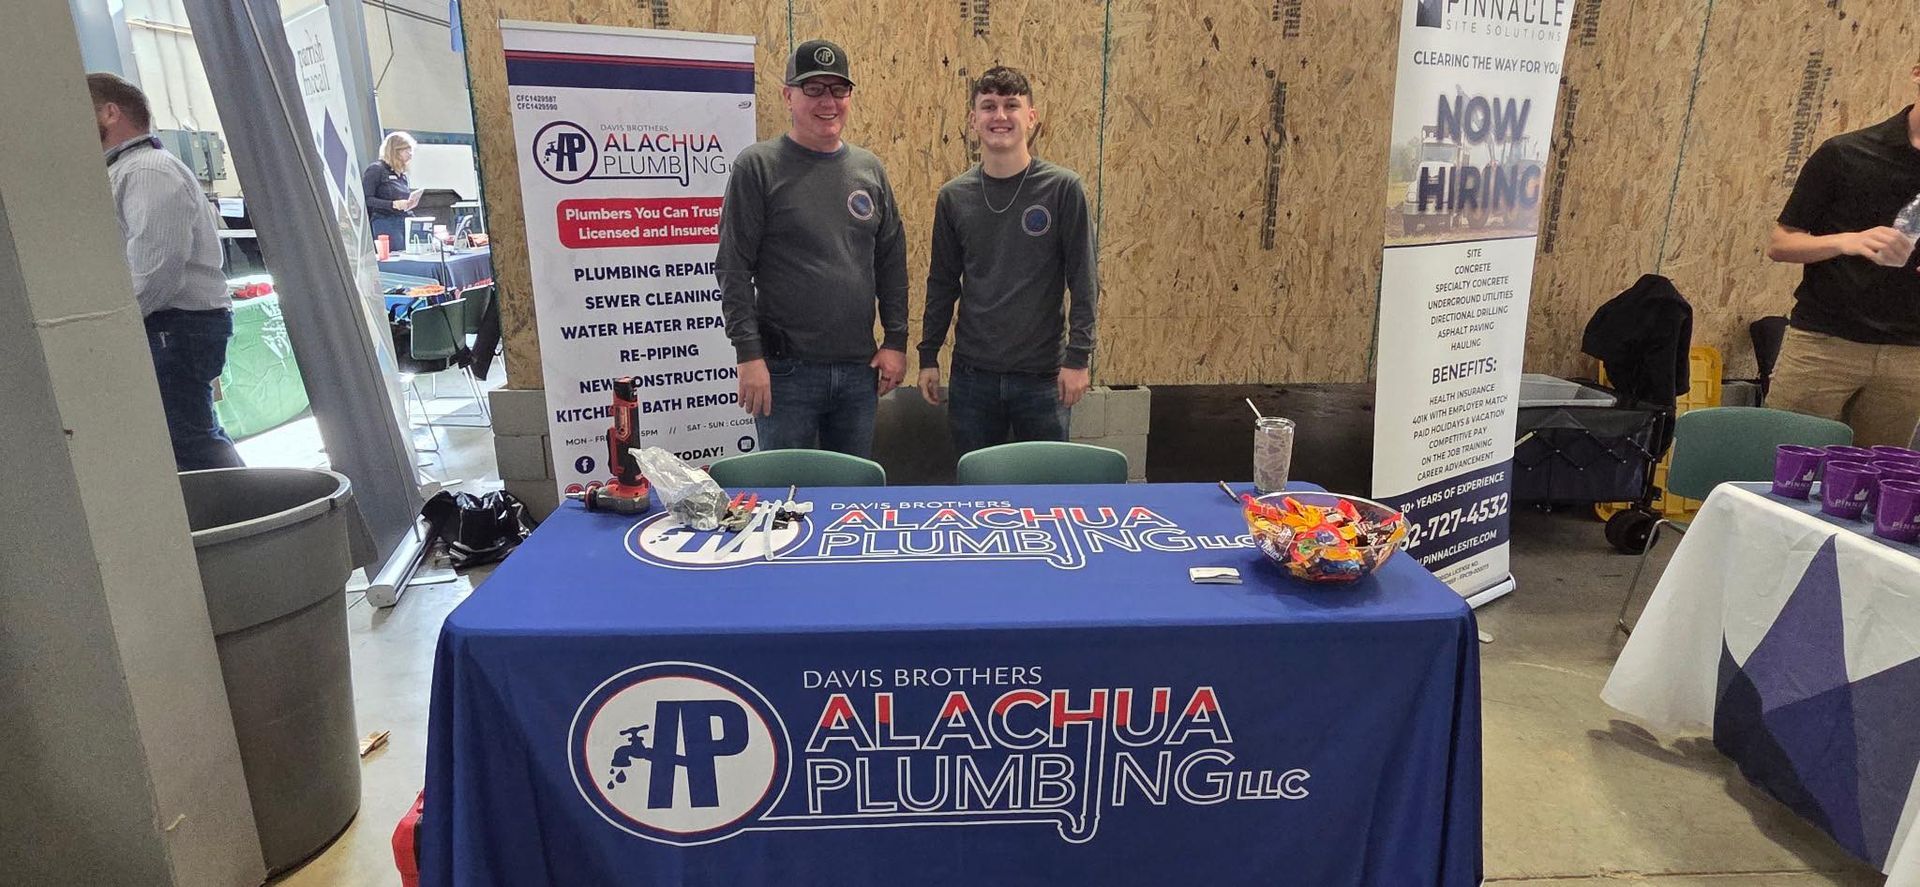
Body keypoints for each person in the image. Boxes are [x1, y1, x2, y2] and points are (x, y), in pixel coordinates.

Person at [716, 39, 909, 458]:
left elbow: (891, 261)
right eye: (814, 89)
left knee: (851, 500)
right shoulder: (758, 166)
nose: (829, 101)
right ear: (788, 95)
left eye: (838, 89)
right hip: (785, 374)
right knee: (786, 503)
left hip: (860, 371)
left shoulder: (868, 169)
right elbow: (733, 267)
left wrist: (895, 340)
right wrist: (749, 356)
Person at [916, 66, 1097, 455]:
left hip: (1044, 379)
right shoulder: (954, 197)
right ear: (973, 119)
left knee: (1047, 498)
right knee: (977, 496)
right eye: (989, 106)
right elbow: (943, 284)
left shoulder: (1063, 189)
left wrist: (1079, 359)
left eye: (1011, 105)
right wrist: (928, 355)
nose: (1000, 116)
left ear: (1031, 117)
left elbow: (1084, 281)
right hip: (971, 380)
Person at [87, 73, 244, 471]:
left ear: (110, 112)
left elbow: (155, 272)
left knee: (186, 439)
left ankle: (245, 516)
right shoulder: (129, 170)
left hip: (175, 324)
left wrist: (113, 324)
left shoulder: (146, 171)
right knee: (190, 432)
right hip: (172, 324)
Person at [1764, 63, 1920, 448]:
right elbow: (1780, 244)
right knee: (1781, 468)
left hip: (1910, 358)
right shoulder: (1846, 154)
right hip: (1824, 343)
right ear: (1917, 73)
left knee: (1873, 486)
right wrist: (1846, 241)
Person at [365, 131, 421, 252]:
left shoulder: (402, 175)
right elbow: (367, 199)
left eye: (411, 150)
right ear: (395, 151)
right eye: (407, 150)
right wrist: (392, 204)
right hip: (385, 221)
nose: (410, 154)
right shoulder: (376, 170)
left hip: (404, 220)